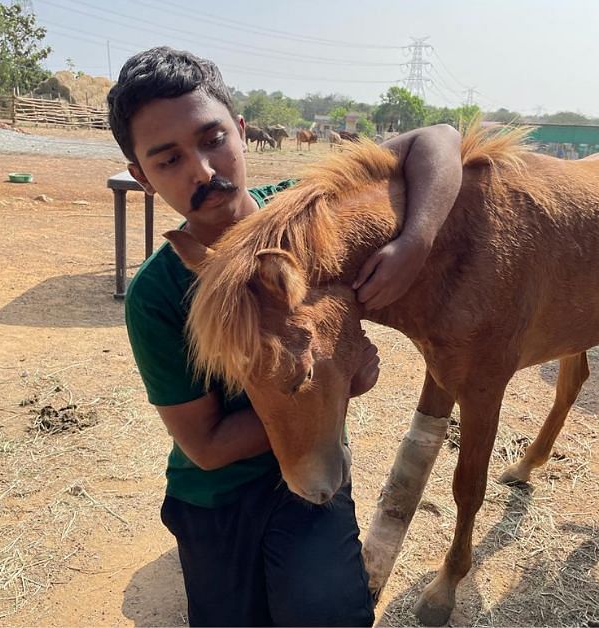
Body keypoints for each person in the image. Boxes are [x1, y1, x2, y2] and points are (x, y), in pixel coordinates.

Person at [108, 46, 463, 626]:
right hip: (218, 493)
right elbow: (208, 445)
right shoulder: (156, 295)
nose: (201, 170)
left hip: (314, 465)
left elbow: (439, 139)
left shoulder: (308, 214)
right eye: (168, 160)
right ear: (143, 178)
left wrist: (414, 243)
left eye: (212, 138)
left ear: (241, 131)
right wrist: (332, 381)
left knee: (328, 616)